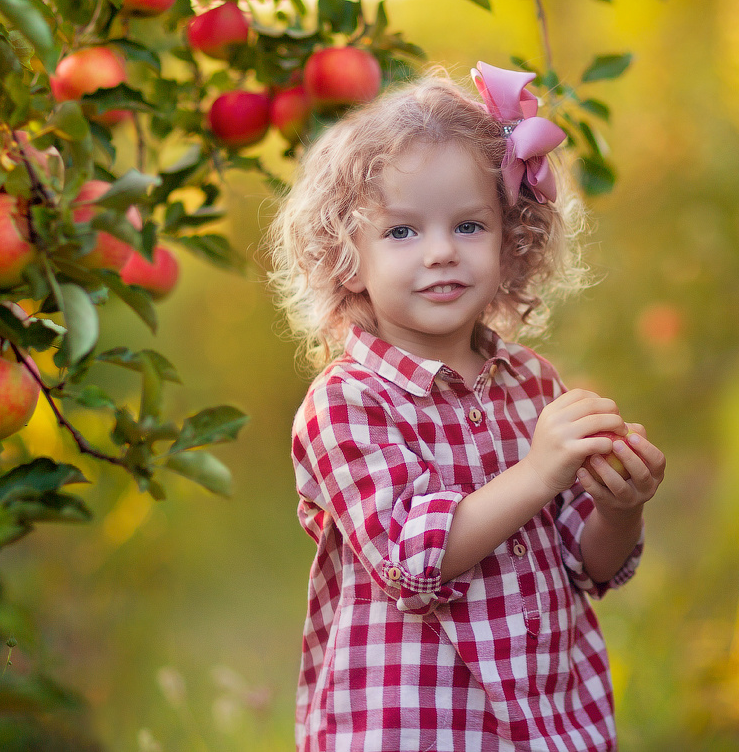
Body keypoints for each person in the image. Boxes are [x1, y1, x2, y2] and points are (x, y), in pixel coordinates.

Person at [266, 63, 666, 751]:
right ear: (347, 258)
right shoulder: (345, 404)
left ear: (510, 242)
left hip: (545, 724)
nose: (442, 252)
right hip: (413, 729)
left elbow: (588, 563)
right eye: (402, 232)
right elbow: (408, 560)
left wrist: (620, 504)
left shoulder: (531, 382)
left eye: (469, 225)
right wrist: (539, 472)